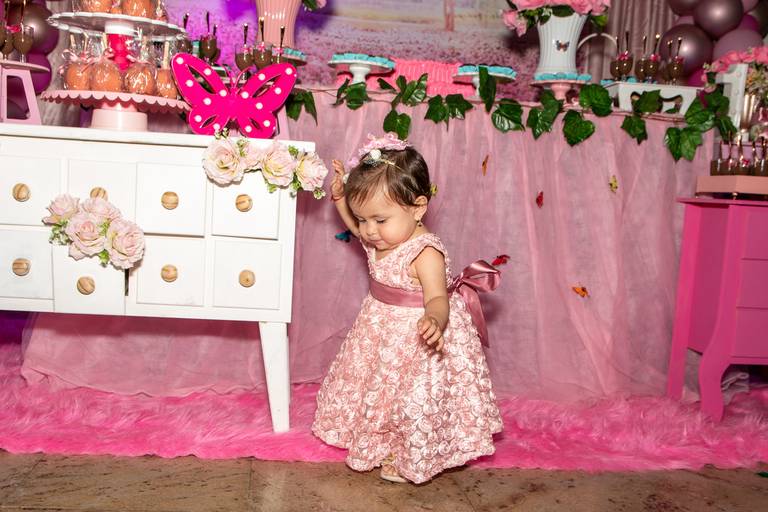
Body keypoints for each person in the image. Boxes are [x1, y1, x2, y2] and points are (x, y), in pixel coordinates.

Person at [312, 133, 502, 484]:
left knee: (411, 396)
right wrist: (339, 198)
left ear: (417, 208)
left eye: (379, 220)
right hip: (380, 327)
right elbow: (354, 227)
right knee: (380, 386)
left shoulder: (425, 253)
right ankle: (380, 439)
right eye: (363, 219)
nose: (369, 231)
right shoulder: (381, 235)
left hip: (417, 333)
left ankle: (413, 451)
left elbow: (438, 298)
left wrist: (435, 320)